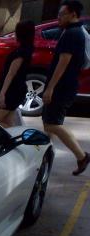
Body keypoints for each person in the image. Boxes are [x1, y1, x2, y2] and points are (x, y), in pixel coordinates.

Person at [42, 0, 89, 175]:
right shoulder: (71, 31)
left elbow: (63, 62)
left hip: (62, 87)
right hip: (65, 86)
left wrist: (50, 88)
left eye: (62, 14)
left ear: (73, 14)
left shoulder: (72, 34)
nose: (58, 17)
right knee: (49, 124)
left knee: (53, 124)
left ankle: (82, 156)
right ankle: (45, 157)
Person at [0, 21, 35, 127]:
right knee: (7, 122)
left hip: (12, 91)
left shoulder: (22, 52)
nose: (14, 33)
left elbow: (11, 73)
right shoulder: (27, 49)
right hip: (17, 90)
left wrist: (2, 93)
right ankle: (13, 139)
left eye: (16, 31)